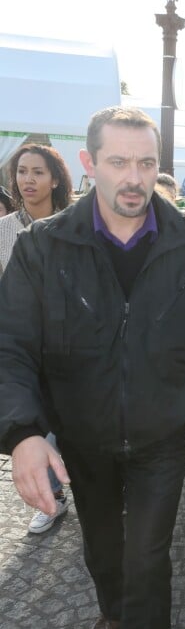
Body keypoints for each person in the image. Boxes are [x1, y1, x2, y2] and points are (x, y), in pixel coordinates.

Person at [0, 106, 185, 629]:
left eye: (144, 163)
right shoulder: (43, 246)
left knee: (148, 563)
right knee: (105, 551)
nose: (134, 178)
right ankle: (110, 613)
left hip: (164, 437)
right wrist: (21, 434)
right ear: (88, 164)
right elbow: (10, 347)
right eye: (118, 162)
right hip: (82, 438)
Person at [0, 143, 73, 534]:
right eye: (22, 171)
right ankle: (52, 497)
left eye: (37, 172)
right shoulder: (4, 230)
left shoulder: (74, 225)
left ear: (56, 178)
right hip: (26, 351)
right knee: (33, 425)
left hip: (73, 347)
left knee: (79, 423)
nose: (28, 179)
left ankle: (106, 490)